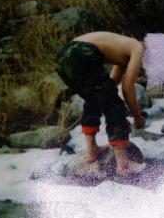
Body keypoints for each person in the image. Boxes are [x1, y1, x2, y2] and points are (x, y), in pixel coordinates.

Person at [56, 31, 148, 176]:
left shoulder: (123, 53)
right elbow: (127, 87)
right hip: (82, 53)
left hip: (64, 57)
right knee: (115, 106)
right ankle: (123, 164)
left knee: (95, 99)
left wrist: (107, 97)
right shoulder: (138, 48)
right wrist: (137, 116)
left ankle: (92, 150)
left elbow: (110, 86)